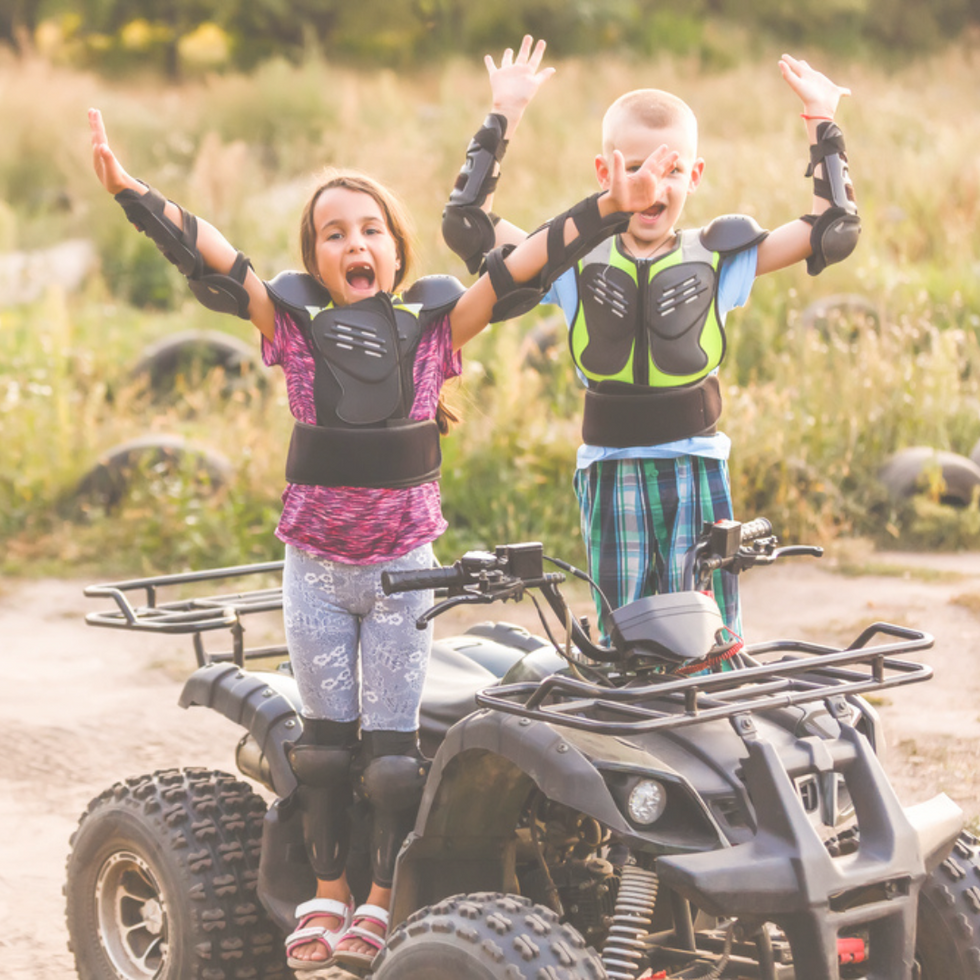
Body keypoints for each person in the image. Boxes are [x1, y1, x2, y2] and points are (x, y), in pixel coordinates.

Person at [88, 103, 675, 971]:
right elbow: (213, 260)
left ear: (397, 252)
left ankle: (379, 900)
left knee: (394, 763)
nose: (353, 243)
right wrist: (131, 191)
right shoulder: (291, 327)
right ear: (314, 259)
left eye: (369, 230)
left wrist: (609, 209)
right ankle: (326, 896)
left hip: (403, 575)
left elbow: (523, 268)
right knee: (325, 753)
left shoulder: (437, 328)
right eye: (333, 234)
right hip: (317, 574)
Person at [442, 37, 859, 642]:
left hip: (697, 464)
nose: (650, 185)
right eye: (633, 167)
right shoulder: (571, 258)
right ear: (603, 172)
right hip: (612, 469)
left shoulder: (719, 258)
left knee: (708, 631)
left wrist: (822, 119)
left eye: (669, 170)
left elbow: (833, 230)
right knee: (626, 635)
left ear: (695, 175)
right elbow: (468, 225)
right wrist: (505, 111)